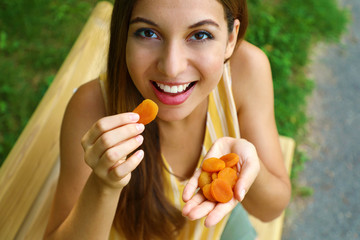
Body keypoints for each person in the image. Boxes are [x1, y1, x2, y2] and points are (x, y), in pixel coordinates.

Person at [44, 0, 291, 239]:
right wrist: (104, 185)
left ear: (230, 38)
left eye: (200, 35)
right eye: (148, 33)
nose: (171, 68)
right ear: (124, 35)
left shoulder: (246, 70)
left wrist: (247, 169)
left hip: (215, 224)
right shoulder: (92, 108)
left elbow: (270, 210)